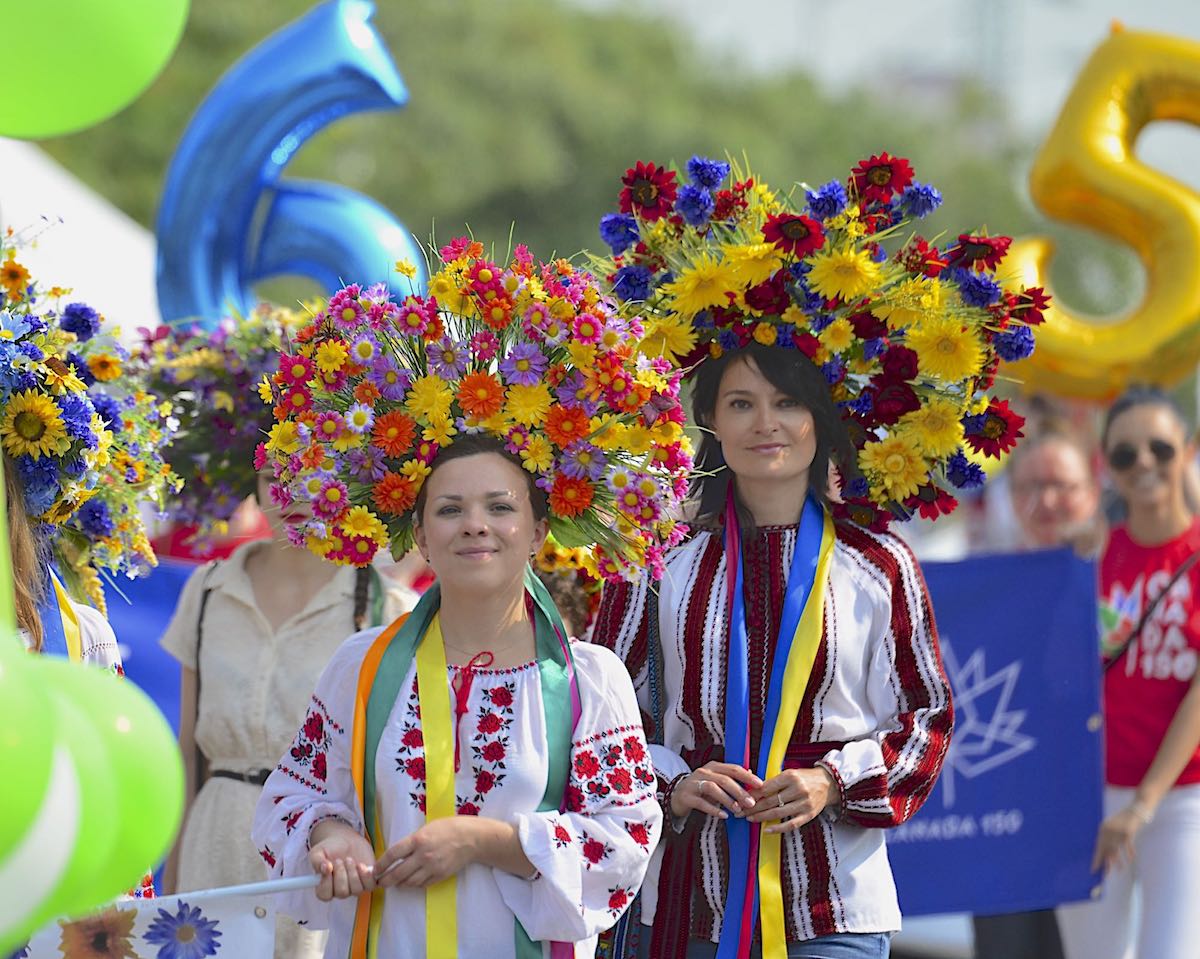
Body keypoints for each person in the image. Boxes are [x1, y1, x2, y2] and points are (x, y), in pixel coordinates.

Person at [587, 151, 1042, 958]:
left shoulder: (880, 562)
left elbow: (928, 716)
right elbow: (599, 714)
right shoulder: (657, 558)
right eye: (742, 402)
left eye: (788, 401)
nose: (767, 423)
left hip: (834, 906)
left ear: (820, 420)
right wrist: (674, 779)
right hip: (686, 900)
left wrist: (833, 779)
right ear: (714, 424)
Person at [249, 245, 689, 957]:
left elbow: (626, 837)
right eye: (449, 509)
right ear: (417, 530)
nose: (475, 525)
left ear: (539, 528)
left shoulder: (587, 679)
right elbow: (292, 796)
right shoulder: (361, 666)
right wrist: (331, 837)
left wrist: (485, 839)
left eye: (499, 507)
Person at [159, 470, 414, 959]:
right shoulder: (209, 588)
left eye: (310, 474)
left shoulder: (389, 608)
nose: (292, 493)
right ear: (253, 480)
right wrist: (172, 876)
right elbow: (189, 752)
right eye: (275, 475)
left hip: (316, 850)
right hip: (215, 833)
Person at [1056, 387, 1200, 959]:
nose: (1143, 463)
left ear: (1188, 452)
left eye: (1160, 448)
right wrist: (1070, 560)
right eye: (1124, 454)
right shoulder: (1091, 557)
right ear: (1106, 466)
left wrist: (1141, 806)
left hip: (1180, 804)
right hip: (1089, 803)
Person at [970, 417, 1102, 959]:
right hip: (1008, 831)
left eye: (1063, 487)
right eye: (1031, 487)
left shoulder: (1116, 580)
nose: (1047, 501)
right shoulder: (985, 589)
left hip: (1098, 826)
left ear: (1091, 493)